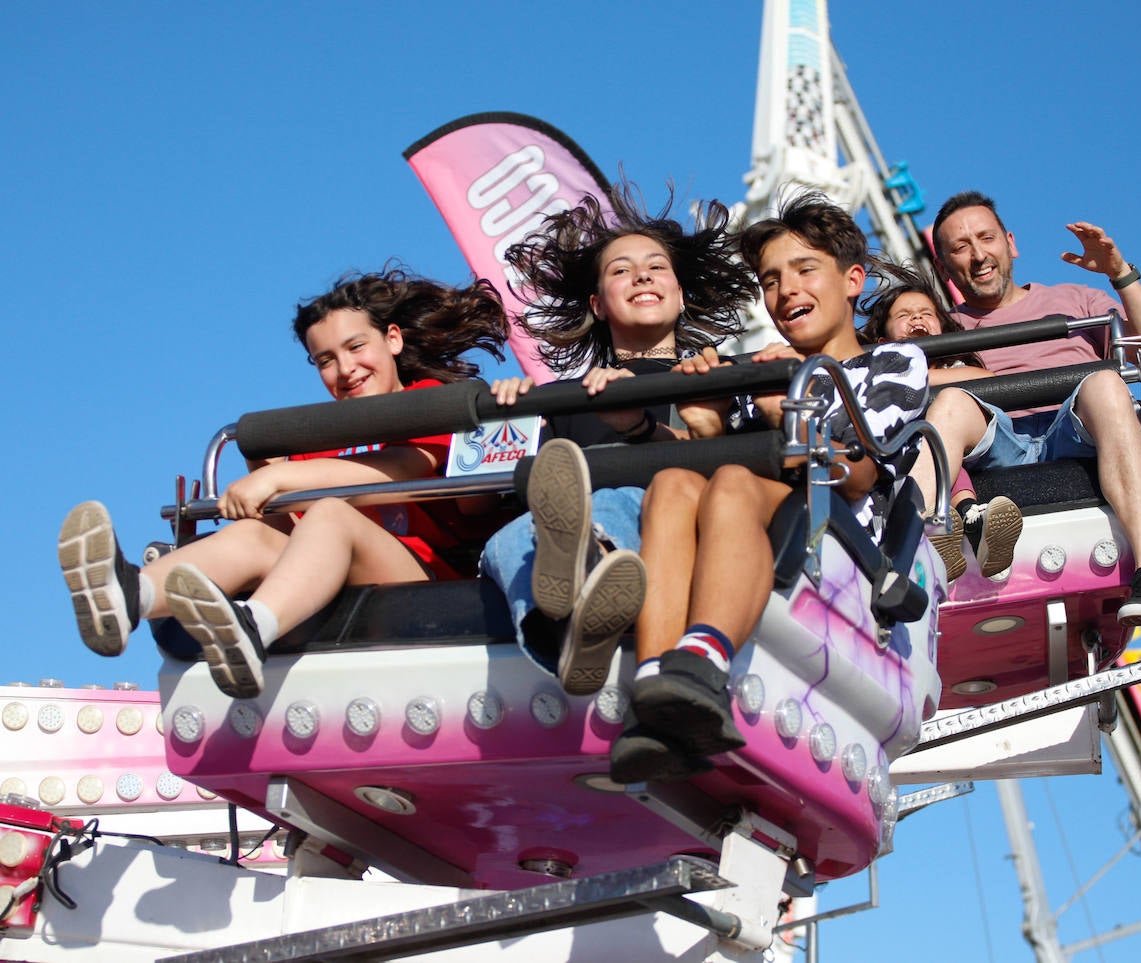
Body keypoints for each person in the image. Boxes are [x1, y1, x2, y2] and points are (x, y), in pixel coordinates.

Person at [58, 268, 508, 698]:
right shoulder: (324, 436)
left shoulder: (426, 400)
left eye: (356, 347)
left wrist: (277, 475)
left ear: (392, 339)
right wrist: (263, 470)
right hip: (338, 576)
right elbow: (291, 521)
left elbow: (400, 468)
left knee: (332, 512)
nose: (346, 368)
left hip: (423, 576)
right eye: (326, 360)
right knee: (257, 533)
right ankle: (130, 596)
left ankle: (253, 629)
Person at [608, 193, 930, 783]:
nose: (786, 292)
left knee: (732, 482)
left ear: (852, 279)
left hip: (846, 543)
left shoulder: (891, 365)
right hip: (762, 523)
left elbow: (860, 476)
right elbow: (697, 465)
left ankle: (703, 657)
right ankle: (657, 682)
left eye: (806, 270)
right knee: (675, 484)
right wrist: (695, 418)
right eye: (771, 280)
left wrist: (791, 411)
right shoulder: (755, 369)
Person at [480, 185, 755, 695]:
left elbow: (747, 488)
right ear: (598, 304)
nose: (642, 276)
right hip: (552, 530)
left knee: (615, 501)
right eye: (620, 270)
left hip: (669, 524)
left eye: (656, 267)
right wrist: (509, 416)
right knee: (507, 539)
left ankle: (591, 565)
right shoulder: (559, 399)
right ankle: (574, 625)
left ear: (680, 292)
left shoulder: (721, 377)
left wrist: (702, 422)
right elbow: (509, 489)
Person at [908, 190, 1141, 627]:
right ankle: (911, 556)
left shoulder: (1075, 301)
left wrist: (1119, 273)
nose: (978, 255)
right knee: (951, 402)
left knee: (1106, 382)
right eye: (961, 248)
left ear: (1010, 243)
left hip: (1076, 429)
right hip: (997, 440)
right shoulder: (946, 327)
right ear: (944, 266)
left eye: (986, 238)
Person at [859, 261, 1023, 580]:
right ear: (882, 343)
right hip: (909, 457)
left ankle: (955, 519)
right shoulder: (876, 378)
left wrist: (920, 376)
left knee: (942, 422)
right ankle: (966, 519)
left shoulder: (953, 368)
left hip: (966, 452)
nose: (916, 318)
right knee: (926, 434)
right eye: (904, 316)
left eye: (926, 313)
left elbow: (985, 378)